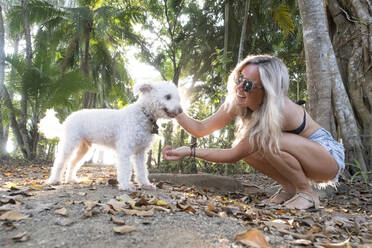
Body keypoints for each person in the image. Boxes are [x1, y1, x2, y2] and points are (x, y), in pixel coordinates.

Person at [162, 54, 345, 210]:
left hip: (326, 158)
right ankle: (290, 188)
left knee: (261, 141)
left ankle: (307, 194)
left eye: (247, 85)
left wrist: (189, 152)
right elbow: (201, 129)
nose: (239, 88)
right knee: (249, 151)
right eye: (239, 79)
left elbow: (232, 155)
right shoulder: (240, 100)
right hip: (300, 154)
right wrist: (173, 109)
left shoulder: (281, 110)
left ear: (266, 90)